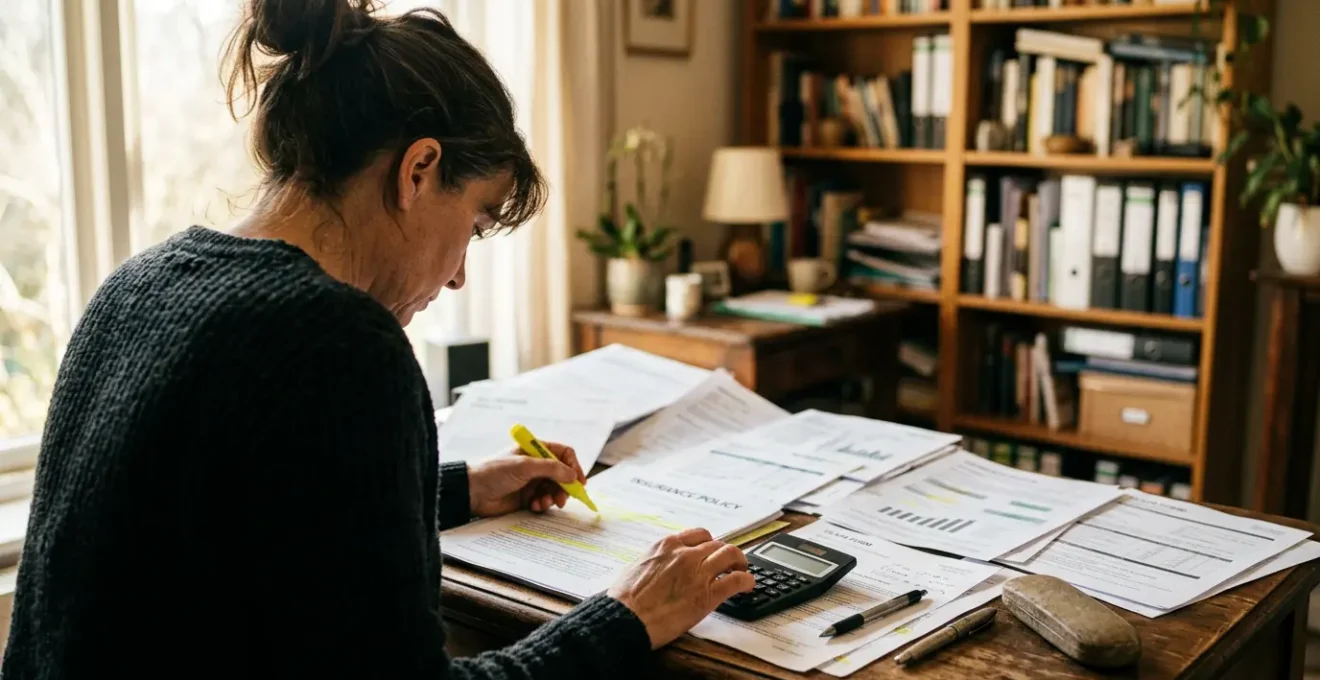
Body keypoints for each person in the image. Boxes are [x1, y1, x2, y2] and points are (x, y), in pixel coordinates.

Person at [0, 0, 753, 676]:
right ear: (419, 170)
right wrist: (626, 616)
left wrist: (454, 488)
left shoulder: (139, 285)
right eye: (477, 224)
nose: (459, 275)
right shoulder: (338, 343)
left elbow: (253, 514)